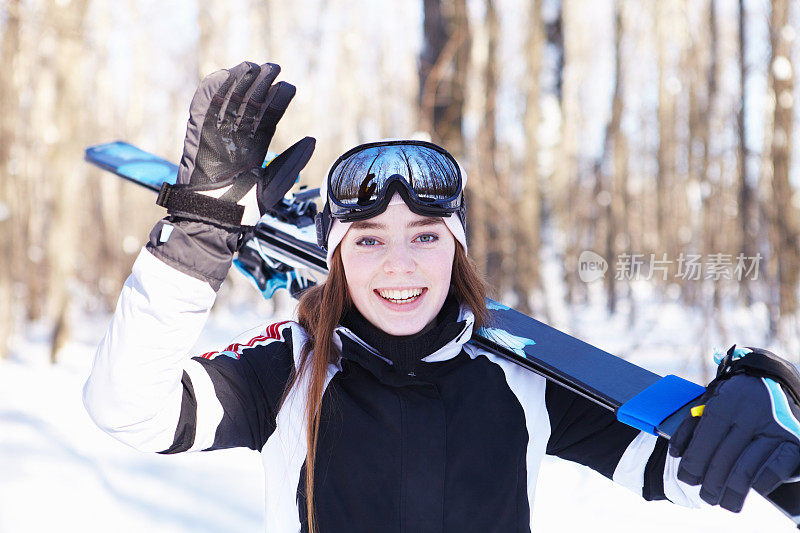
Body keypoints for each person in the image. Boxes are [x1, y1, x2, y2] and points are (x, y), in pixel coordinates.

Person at [84, 61, 800, 532]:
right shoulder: (289, 366)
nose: (400, 264)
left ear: (457, 246)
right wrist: (199, 240)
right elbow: (128, 408)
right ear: (334, 256)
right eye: (366, 240)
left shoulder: (526, 375)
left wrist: (764, 394)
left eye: (425, 235)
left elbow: (680, 471)